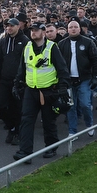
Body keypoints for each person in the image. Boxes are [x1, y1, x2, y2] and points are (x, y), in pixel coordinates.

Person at [13, 23, 70, 161]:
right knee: (26, 120)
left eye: (36, 30)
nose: (33, 32)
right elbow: (22, 68)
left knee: (48, 121)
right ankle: (25, 151)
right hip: (31, 90)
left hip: (48, 90)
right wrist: (17, 83)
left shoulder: (52, 47)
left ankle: (51, 147)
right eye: (32, 30)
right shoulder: (27, 47)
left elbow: (62, 68)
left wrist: (63, 86)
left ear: (43, 32)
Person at [57, 20, 97, 138]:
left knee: (85, 104)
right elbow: (58, 63)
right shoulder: (61, 44)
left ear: (79, 29)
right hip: (69, 81)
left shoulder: (88, 42)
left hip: (84, 79)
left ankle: (89, 125)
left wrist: (95, 76)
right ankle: (72, 131)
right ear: (67, 29)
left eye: (75, 27)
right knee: (71, 107)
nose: (73, 29)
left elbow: (96, 59)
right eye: (71, 27)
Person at [0, 17, 28, 145]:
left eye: (11, 26)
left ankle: (17, 132)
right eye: (7, 26)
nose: (9, 28)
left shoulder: (25, 41)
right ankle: (12, 128)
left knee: (17, 108)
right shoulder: (3, 40)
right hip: (4, 79)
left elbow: (26, 61)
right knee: (1, 106)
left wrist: (23, 79)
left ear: (18, 26)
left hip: (18, 80)